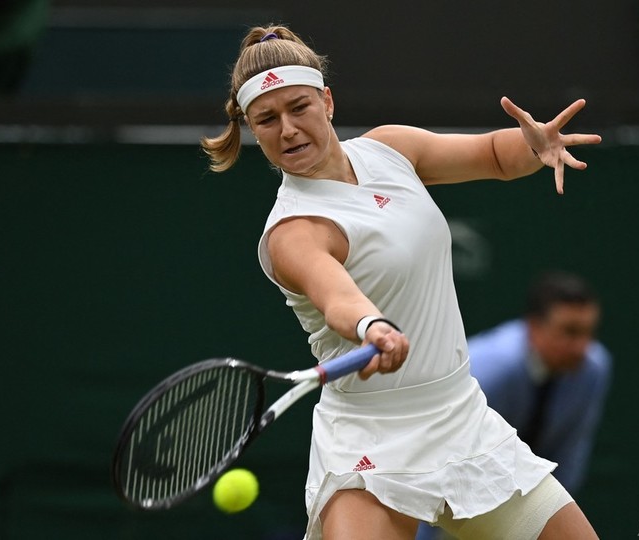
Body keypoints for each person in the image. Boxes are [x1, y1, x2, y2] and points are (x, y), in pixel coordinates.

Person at [201, 24, 602, 540]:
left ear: (327, 101)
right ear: (253, 129)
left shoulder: (390, 149)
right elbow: (336, 297)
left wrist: (534, 145)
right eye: (267, 119)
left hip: (461, 416)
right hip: (369, 440)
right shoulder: (293, 231)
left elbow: (494, 156)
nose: (288, 129)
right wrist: (371, 326)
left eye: (299, 107)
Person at [416, 272, 612, 539]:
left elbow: (569, 455)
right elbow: (433, 454)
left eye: (589, 333)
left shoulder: (594, 368)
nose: (581, 347)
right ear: (534, 327)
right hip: (447, 493)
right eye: (570, 332)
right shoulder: (493, 369)